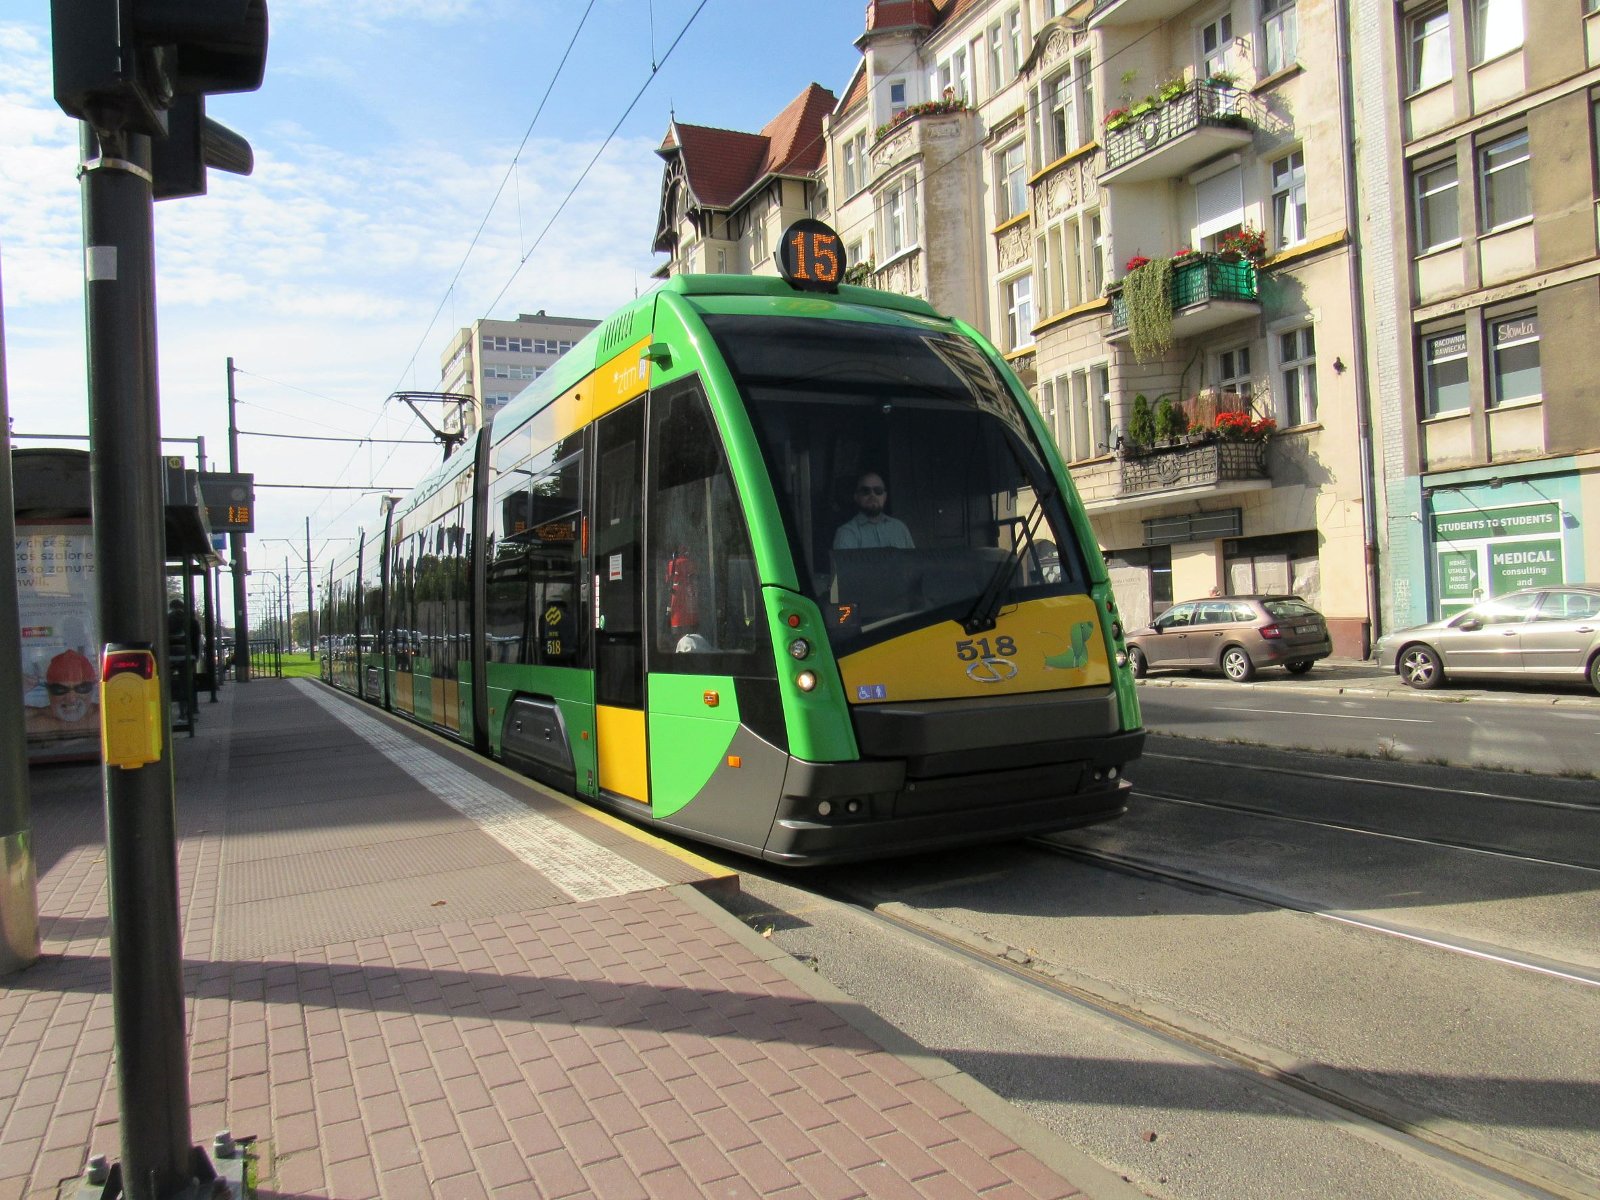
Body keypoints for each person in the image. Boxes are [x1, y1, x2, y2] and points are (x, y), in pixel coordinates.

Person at [833, 471, 914, 551]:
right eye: (865, 491)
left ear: (885, 496)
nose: (872, 495)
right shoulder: (846, 533)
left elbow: (913, 562)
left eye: (878, 490)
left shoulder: (900, 528)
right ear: (856, 497)